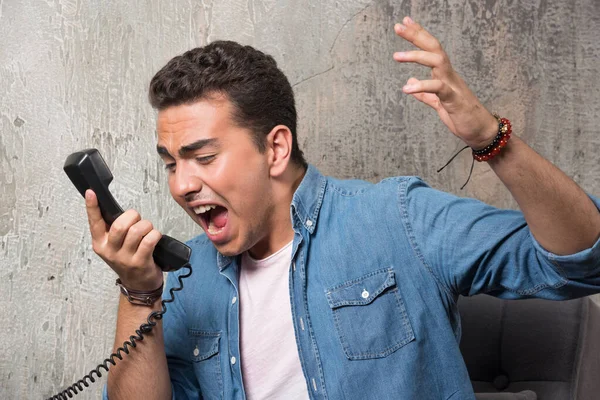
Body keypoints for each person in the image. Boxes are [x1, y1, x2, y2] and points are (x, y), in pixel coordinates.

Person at [89, 17, 600, 399]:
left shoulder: (397, 218)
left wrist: (493, 140)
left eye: (202, 157)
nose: (181, 185)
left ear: (275, 149)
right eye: (170, 164)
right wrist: (139, 294)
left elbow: (581, 259)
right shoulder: (187, 275)